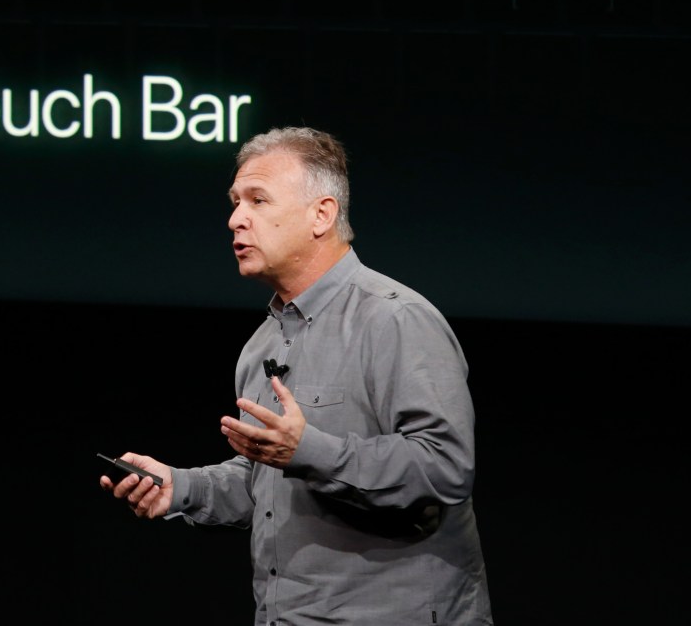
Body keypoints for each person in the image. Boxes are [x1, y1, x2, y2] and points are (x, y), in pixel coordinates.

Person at [100, 126, 493, 624]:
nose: (235, 219)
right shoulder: (261, 345)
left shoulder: (395, 319)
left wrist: (308, 451)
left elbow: (444, 466)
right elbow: (268, 484)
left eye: (258, 200)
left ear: (321, 215)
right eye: (235, 201)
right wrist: (181, 488)